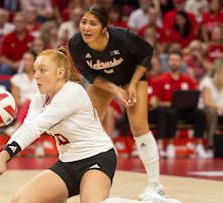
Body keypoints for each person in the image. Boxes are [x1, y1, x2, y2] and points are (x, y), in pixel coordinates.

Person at [0, 48, 181, 203]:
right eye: (35, 70)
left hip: (97, 158)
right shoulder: (40, 98)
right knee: (20, 201)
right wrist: (4, 155)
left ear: (60, 73)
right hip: (67, 163)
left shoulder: (72, 92)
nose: (36, 75)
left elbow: (36, 127)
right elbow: (27, 127)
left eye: (43, 70)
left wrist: (3, 156)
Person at [68, 4, 165, 200]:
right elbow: (87, 73)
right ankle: (79, 179)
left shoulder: (123, 38)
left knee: (139, 127)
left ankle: (155, 186)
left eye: (93, 24)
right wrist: (115, 90)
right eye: (84, 22)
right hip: (103, 81)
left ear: (105, 28)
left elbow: (147, 52)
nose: (86, 27)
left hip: (131, 78)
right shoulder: (76, 44)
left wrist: (133, 84)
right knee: (85, 124)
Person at [150, 51, 208, 158]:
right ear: (168, 62)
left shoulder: (188, 80)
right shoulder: (160, 80)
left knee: (200, 114)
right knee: (173, 112)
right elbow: (155, 101)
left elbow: (193, 97)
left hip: (186, 111)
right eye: (171, 60)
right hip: (169, 111)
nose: (174, 63)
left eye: (176, 60)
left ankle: (199, 147)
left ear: (181, 62)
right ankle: (169, 146)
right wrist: (170, 103)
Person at [199, 59, 223, 157]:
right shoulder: (207, 81)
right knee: (212, 112)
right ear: (221, 69)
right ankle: (210, 146)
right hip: (207, 109)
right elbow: (206, 102)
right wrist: (220, 106)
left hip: (222, 110)